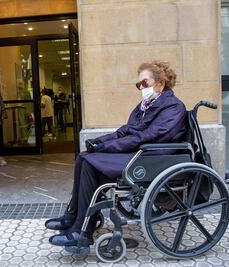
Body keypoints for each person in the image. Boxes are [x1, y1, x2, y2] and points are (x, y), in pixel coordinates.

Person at [45, 61, 187, 250]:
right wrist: (100, 141)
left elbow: (146, 137)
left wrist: (108, 147)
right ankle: (74, 217)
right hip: (139, 152)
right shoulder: (146, 105)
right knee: (83, 157)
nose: (141, 88)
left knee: (89, 162)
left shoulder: (173, 107)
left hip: (152, 157)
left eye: (144, 83)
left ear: (160, 83)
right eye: (139, 84)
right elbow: (126, 130)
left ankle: (82, 230)